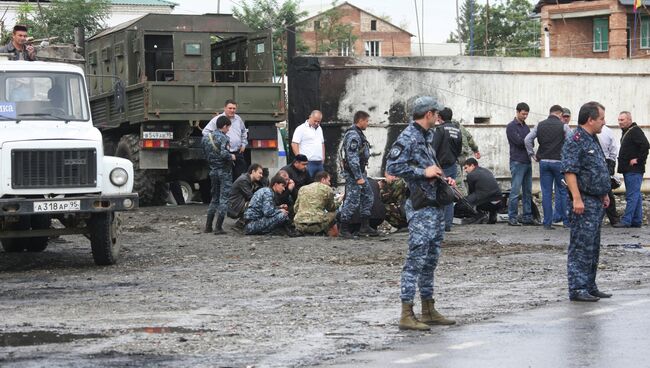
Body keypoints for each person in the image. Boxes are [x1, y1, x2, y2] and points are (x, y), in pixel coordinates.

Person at [386, 96, 456, 331]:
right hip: (420, 207)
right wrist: (423, 171)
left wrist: (441, 177)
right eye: (436, 113)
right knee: (416, 259)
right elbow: (392, 167)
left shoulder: (427, 136)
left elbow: (428, 168)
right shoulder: (408, 137)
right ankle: (407, 313)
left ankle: (428, 309)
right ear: (428, 114)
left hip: (433, 204)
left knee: (431, 259)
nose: (438, 117)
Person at [561, 101, 612, 302]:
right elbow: (570, 171)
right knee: (581, 246)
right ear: (590, 119)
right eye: (601, 118)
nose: (604, 122)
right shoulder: (575, 139)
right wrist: (577, 199)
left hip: (596, 200)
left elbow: (596, 167)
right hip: (583, 201)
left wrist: (604, 193)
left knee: (593, 245)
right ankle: (578, 287)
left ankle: (590, 285)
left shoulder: (592, 139)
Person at [524, 105, 572, 230]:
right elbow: (571, 142)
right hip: (559, 163)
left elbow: (527, 139)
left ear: (550, 113)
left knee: (546, 192)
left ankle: (547, 223)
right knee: (562, 191)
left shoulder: (540, 125)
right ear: (560, 114)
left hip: (544, 162)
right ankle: (566, 222)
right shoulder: (564, 126)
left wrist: (532, 154)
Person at [338, 110, 377, 238]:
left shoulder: (358, 134)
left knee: (368, 196)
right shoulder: (353, 135)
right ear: (360, 121)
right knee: (352, 200)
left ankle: (364, 227)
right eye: (366, 121)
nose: (367, 123)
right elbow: (352, 158)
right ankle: (344, 229)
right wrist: (358, 177)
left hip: (360, 172)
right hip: (354, 174)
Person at [614, 111, 649, 228]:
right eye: (619, 120)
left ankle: (626, 220)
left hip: (634, 169)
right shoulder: (628, 131)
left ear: (629, 119)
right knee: (636, 195)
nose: (619, 122)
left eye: (622, 120)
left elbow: (645, 145)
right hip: (629, 169)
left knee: (632, 195)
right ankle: (637, 220)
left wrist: (638, 160)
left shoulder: (635, 131)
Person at [202, 116, 235, 235]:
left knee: (214, 198)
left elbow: (205, 154)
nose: (228, 130)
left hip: (213, 170)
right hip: (224, 171)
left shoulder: (206, 138)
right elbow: (224, 153)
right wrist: (232, 156)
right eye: (228, 127)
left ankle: (208, 226)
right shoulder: (224, 138)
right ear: (225, 126)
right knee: (224, 199)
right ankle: (218, 227)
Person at [506, 102, 537, 226]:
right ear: (517, 112)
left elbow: (531, 143)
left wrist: (527, 142)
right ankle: (512, 217)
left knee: (527, 191)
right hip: (517, 161)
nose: (525, 116)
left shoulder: (525, 127)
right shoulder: (511, 127)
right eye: (523, 114)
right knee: (515, 191)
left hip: (527, 161)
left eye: (526, 114)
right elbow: (519, 142)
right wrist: (527, 142)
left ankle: (527, 216)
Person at [202, 99, 248, 179]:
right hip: (225, 154)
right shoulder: (218, 119)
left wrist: (244, 143)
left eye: (234, 108)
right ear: (225, 108)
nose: (232, 110)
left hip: (238, 152)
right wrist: (217, 144)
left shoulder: (238, 119)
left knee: (240, 177)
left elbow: (244, 131)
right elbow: (206, 132)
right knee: (226, 179)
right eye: (230, 108)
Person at [433, 107, 462, 231]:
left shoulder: (439, 130)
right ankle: (447, 224)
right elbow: (459, 150)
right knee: (449, 194)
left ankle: (438, 224)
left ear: (440, 117)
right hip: (452, 165)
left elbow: (433, 149)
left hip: (439, 167)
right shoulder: (457, 130)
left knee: (436, 194)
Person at [461, 158, 503, 224]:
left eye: (466, 168)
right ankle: (492, 215)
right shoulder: (487, 171)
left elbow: (471, 192)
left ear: (472, 165)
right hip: (499, 202)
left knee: (465, 202)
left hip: (486, 202)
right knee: (483, 195)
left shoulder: (471, 175)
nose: (465, 170)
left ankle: (479, 216)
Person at [597, 124, 621, 226]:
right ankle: (613, 219)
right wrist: (611, 164)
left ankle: (607, 219)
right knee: (606, 190)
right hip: (605, 160)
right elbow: (613, 150)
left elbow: (613, 150)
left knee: (605, 191)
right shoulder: (607, 131)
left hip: (602, 161)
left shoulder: (605, 131)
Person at [291, 110, 325, 178]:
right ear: (310, 117)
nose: (316, 123)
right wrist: (300, 159)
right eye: (315, 121)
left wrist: (323, 157)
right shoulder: (301, 128)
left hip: (319, 162)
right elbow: (294, 144)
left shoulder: (319, 129)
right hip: (308, 162)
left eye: (318, 121)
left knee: (320, 184)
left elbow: (322, 143)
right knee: (307, 183)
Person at [454, 120, 481, 196]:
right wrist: (475, 150)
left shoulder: (447, 128)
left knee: (458, 182)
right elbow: (469, 139)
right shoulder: (461, 127)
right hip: (463, 156)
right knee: (459, 180)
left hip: (456, 156)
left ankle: (464, 202)